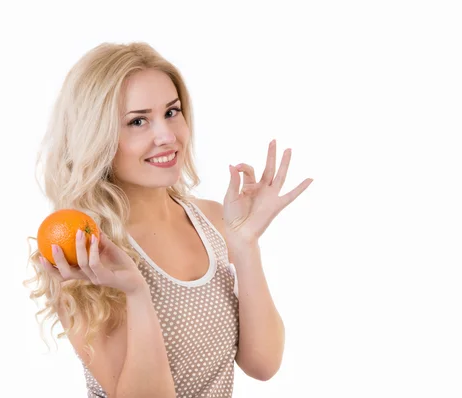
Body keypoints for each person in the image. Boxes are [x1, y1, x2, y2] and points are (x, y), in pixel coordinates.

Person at [23, 42, 313, 398]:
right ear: (95, 137)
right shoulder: (83, 254)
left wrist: (245, 243)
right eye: (138, 121)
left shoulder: (211, 219)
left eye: (172, 113)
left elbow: (264, 364)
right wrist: (136, 292)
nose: (166, 137)